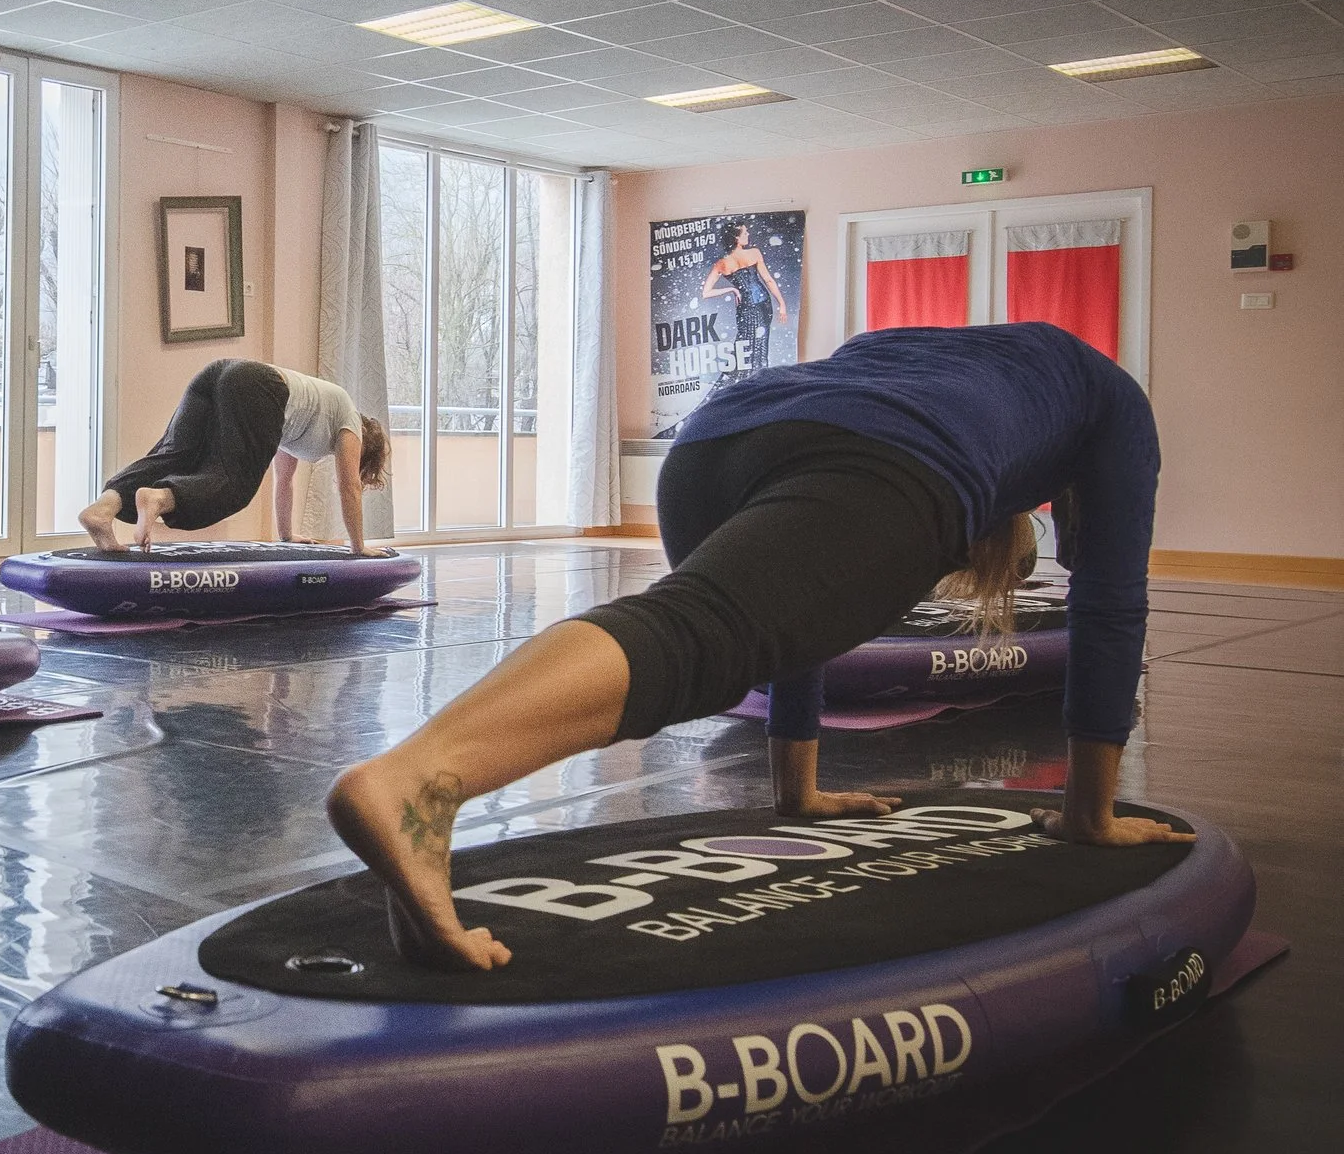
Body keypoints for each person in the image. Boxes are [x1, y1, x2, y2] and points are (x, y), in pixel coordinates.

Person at [328, 321, 1190, 971]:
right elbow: (1111, 608)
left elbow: (803, 618)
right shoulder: (1116, 408)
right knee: (696, 634)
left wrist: (799, 793)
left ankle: (420, 800)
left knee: (731, 626)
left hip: (710, 446)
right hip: (879, 456)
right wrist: (1088, 816)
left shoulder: (948, 359)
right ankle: (418, 782)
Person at [81, 360, 392, 556]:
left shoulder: (309, 415)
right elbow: (348, 485)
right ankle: (160, 498)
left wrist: (286, 536)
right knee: (235, 485)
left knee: (175, 454)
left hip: (219, 372)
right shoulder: (350, 422)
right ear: (366, 446)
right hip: (257, 385)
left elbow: (284, 480)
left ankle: (101, 510)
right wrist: (358, 547)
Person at [702, 220, 789, 377]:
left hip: (750, 306)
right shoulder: (754, 253)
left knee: (744, 347)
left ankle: (748, 382)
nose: (748, 234)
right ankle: (757, 381)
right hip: (762, 304)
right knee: (757, 346)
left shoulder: (722, 263)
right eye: (745, 232)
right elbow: (768, 280)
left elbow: (705, 292)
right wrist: (781, 304)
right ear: (736, 237)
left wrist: (732, 289)